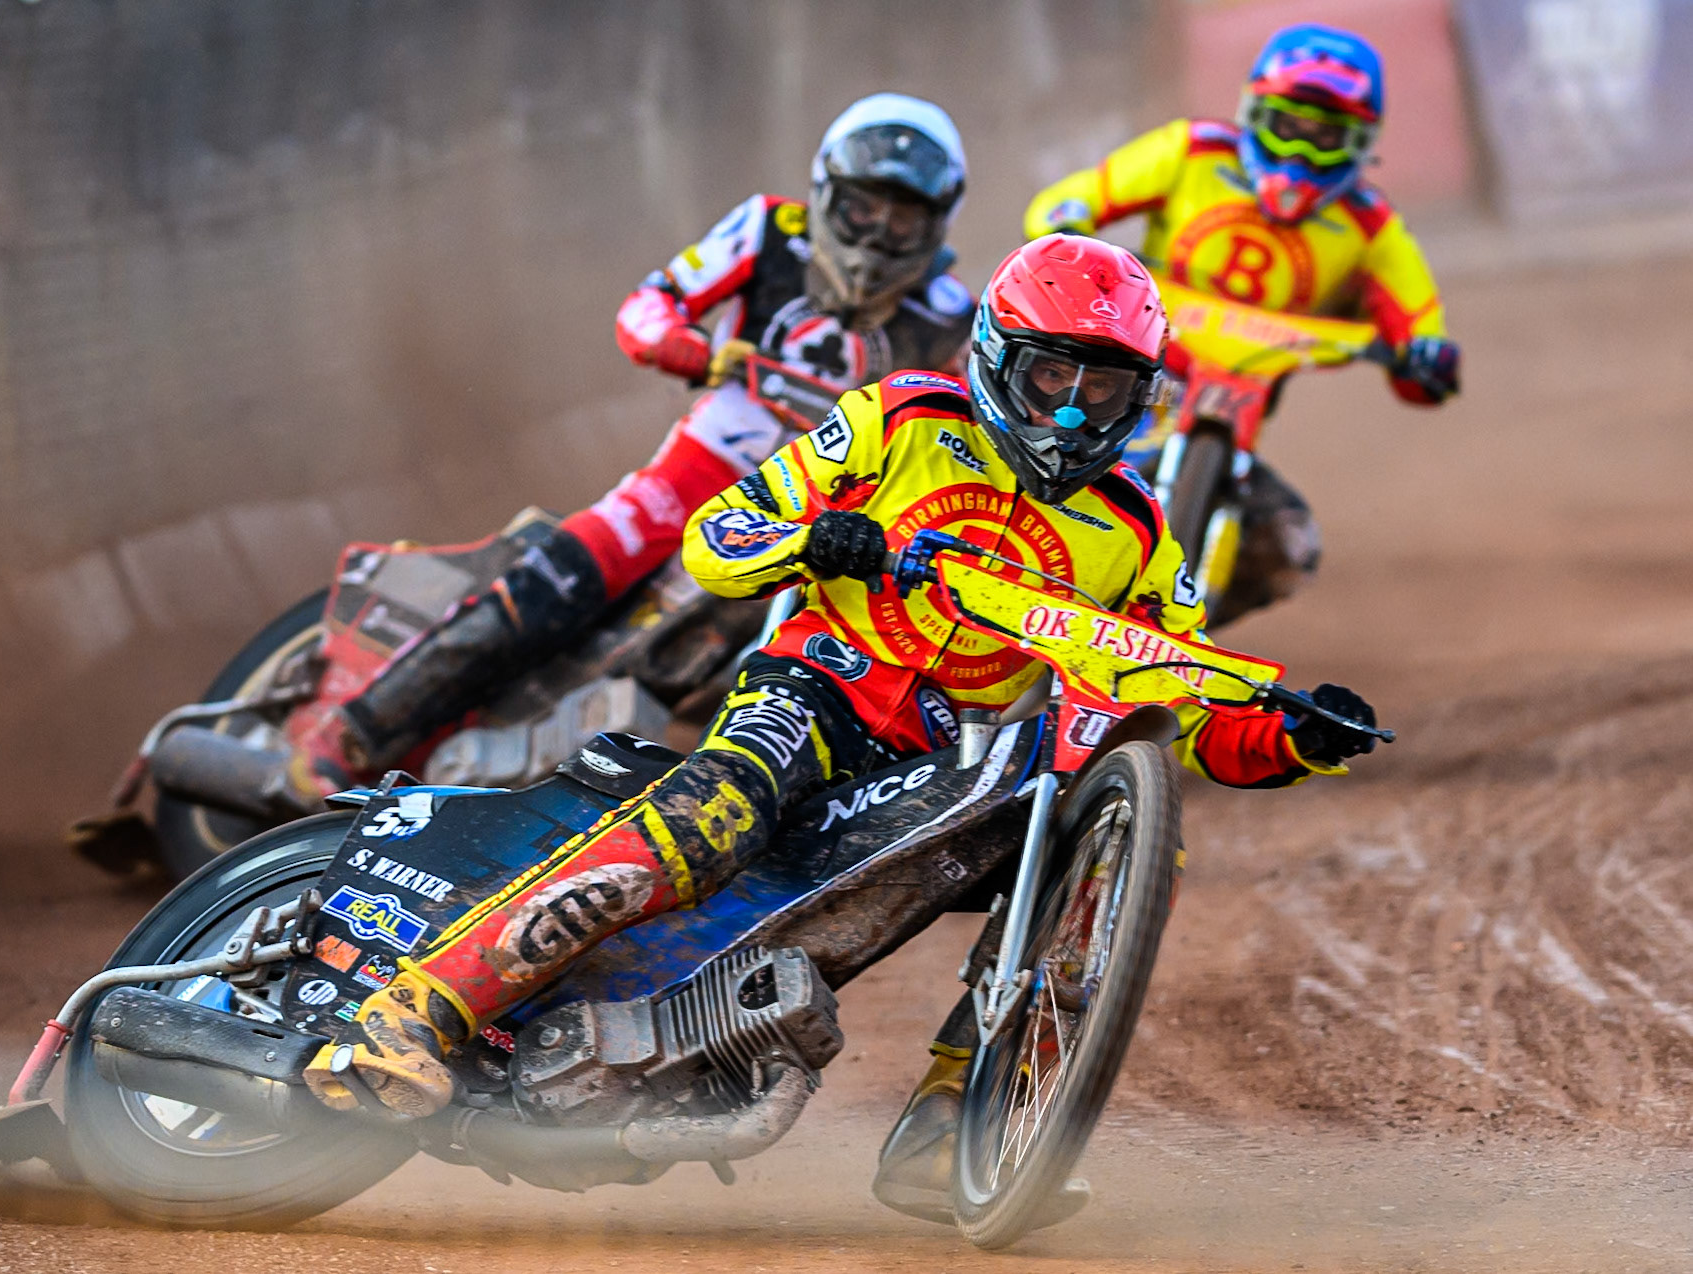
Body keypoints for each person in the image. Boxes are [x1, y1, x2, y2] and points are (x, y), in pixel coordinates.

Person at [302, 238, 1384, 1218]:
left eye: (1103, 387)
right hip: (815, 683)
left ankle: (946, 1126)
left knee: (1082, 844)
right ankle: (418, 1006)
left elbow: (1183, 709)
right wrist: (821, 539)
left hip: (933, 750)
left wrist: (1288, 742)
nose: (1070, 412)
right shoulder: (900, 419)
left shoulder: (1140, 528)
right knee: (714, 814)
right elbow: (723, 536)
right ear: (1000, 355)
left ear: (1141, 394)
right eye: (1052, 374)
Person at [269, 94, 977, 809]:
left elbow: (964, 441)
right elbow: (648, 307)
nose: (879, 234)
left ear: (938, 219)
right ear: (827, 193)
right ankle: (350, 734)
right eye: (865, 208)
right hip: (700, 467)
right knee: (573, 570)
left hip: (814, 509)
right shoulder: (769, 230)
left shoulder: (953, 316)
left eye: (903, 216)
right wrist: (696, 353)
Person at [1022, 22, 1460, 624]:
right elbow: (1070, 202)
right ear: (1254, 113)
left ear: (1359, 144)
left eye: (1324, 138)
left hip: (1234, 404)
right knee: (1016, 432)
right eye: (1289, 126)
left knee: (1286, 546)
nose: (1300, 154)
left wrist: (1426, 355)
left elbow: (1421, 328)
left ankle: (1182, 633)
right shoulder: (1191, 151)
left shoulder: (1371, 227)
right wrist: (1067, 219)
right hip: (1125, 366)